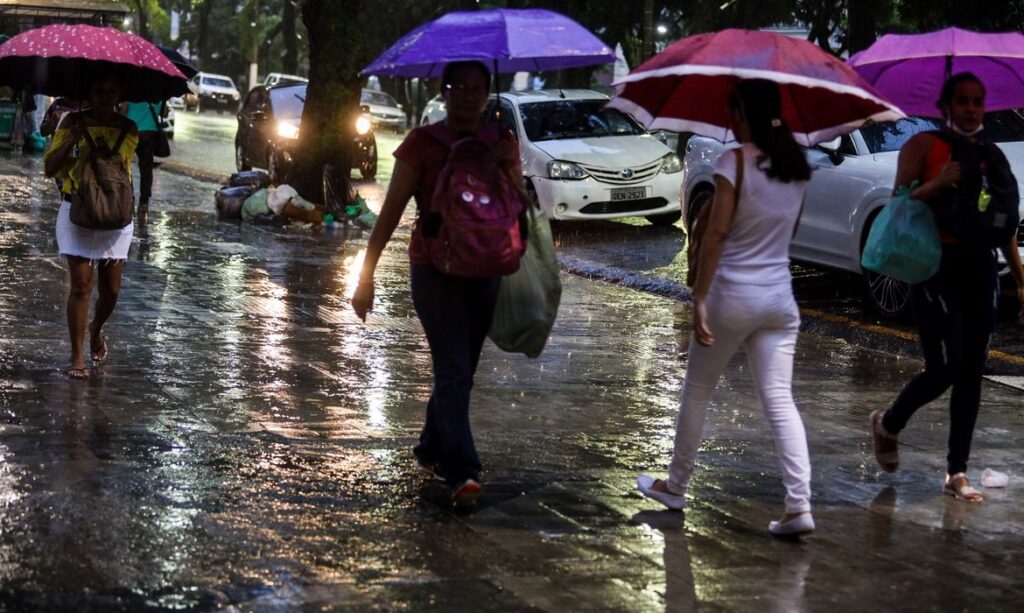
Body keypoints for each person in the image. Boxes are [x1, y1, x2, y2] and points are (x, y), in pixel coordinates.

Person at [636, 79, 815, 536]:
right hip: (780, 299)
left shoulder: (732, 162)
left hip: (733, 295)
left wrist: (699, 296)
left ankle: (675, 487)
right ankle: (799, 505)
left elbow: (715, 234)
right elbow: (791, 232)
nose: (729, 120)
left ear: (744, 114)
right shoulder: (796, 166)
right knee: (780, 399)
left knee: (697, 390)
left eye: (733, 112)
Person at [351, 61, 522, 507]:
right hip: (434, 272)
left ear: (488, 93)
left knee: (462, 371)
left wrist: (507, 172)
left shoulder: (501, 141)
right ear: (443, 91)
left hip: (484, 271)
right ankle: (462, 471)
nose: (468, 96)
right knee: (453, 370)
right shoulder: (421, 144)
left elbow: (519, 208)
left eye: (477, 88)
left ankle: (430, 448)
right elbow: (389, 214)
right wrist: (366, 276)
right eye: (458, 87)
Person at [869, 72, 1024, 502]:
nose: (971, 108)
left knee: (972, 373)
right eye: (962, 101)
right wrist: (937, 184)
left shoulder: (991, 156)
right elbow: (896, 207)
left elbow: (1004, 223)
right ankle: (888, 423)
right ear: (946, 106)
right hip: (933, 268)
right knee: (943, 369)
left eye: (977, 101)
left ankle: (957, 471)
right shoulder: (922, 147)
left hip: (981, 271)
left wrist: (1021, 279)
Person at [44, 70, 139, 380]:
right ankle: (77, 355)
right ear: (89, 92)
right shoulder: (70, 122)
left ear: (119, 93)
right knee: (82, 285)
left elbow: (121, 169)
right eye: (99, 90)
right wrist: (71, 140)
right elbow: (50, 168)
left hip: (114, 212)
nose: (105, 97)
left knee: (111, 290)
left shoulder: (128, 128)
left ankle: (96, 328)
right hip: (77, 210)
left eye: (111, 91)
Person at [119, 99, 166, 222]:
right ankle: (144, 203)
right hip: (149, 134)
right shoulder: (157, 94)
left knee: (125, 165)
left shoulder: (132, 92)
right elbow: (164, 113)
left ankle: (129, 198)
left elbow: (123, 110)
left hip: (130, 131)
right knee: (146, 169)